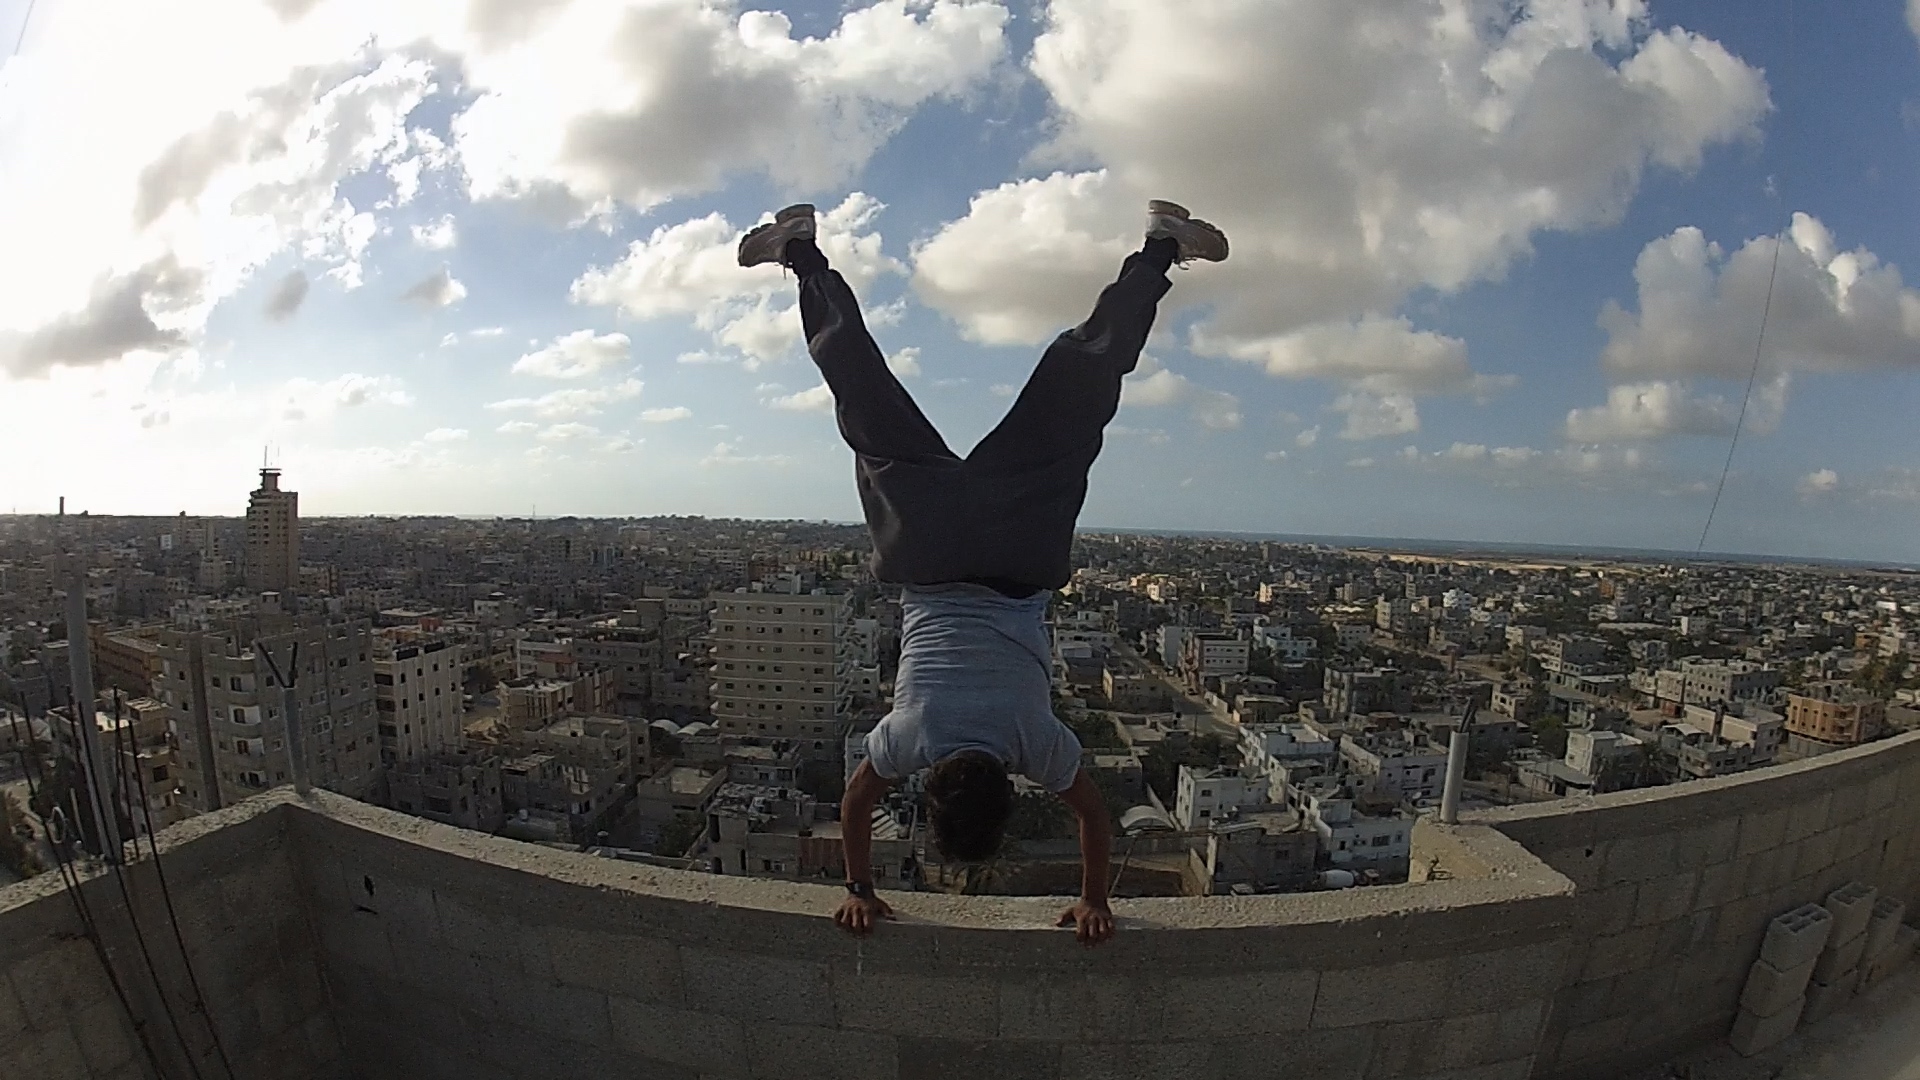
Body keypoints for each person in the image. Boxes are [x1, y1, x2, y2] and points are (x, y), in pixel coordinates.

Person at [737, 199, 1229, 946]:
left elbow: (1092, 815)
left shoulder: (1036, 742)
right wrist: (859, 889)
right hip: (928, 550)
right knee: (863, 395)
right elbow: (855, 803)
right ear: (933, 794)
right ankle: (801, 255)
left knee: (1081, 387)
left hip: (1016, 553)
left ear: (1009, 795)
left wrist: (1095, 901)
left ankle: (1161, 248)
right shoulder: (909, 738)